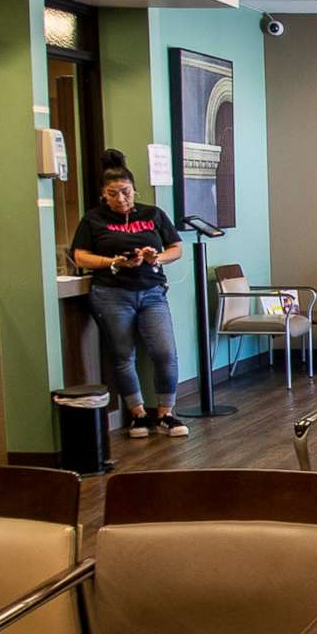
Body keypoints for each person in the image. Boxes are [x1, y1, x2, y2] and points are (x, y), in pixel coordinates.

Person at [69, 161, 189, 438]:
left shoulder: (153, 214)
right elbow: (80, 256)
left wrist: (154, 257)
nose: (120, 199)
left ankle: (166, 413)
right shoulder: (93, 219)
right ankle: (137, 414)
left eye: (125, 192)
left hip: (151, 292)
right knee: (123, 355)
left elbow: (176, 248)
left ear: (134, 190)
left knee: (165, 353)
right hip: (111, 293)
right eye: (112, 194)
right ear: (103, 194)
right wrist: (115, 262)